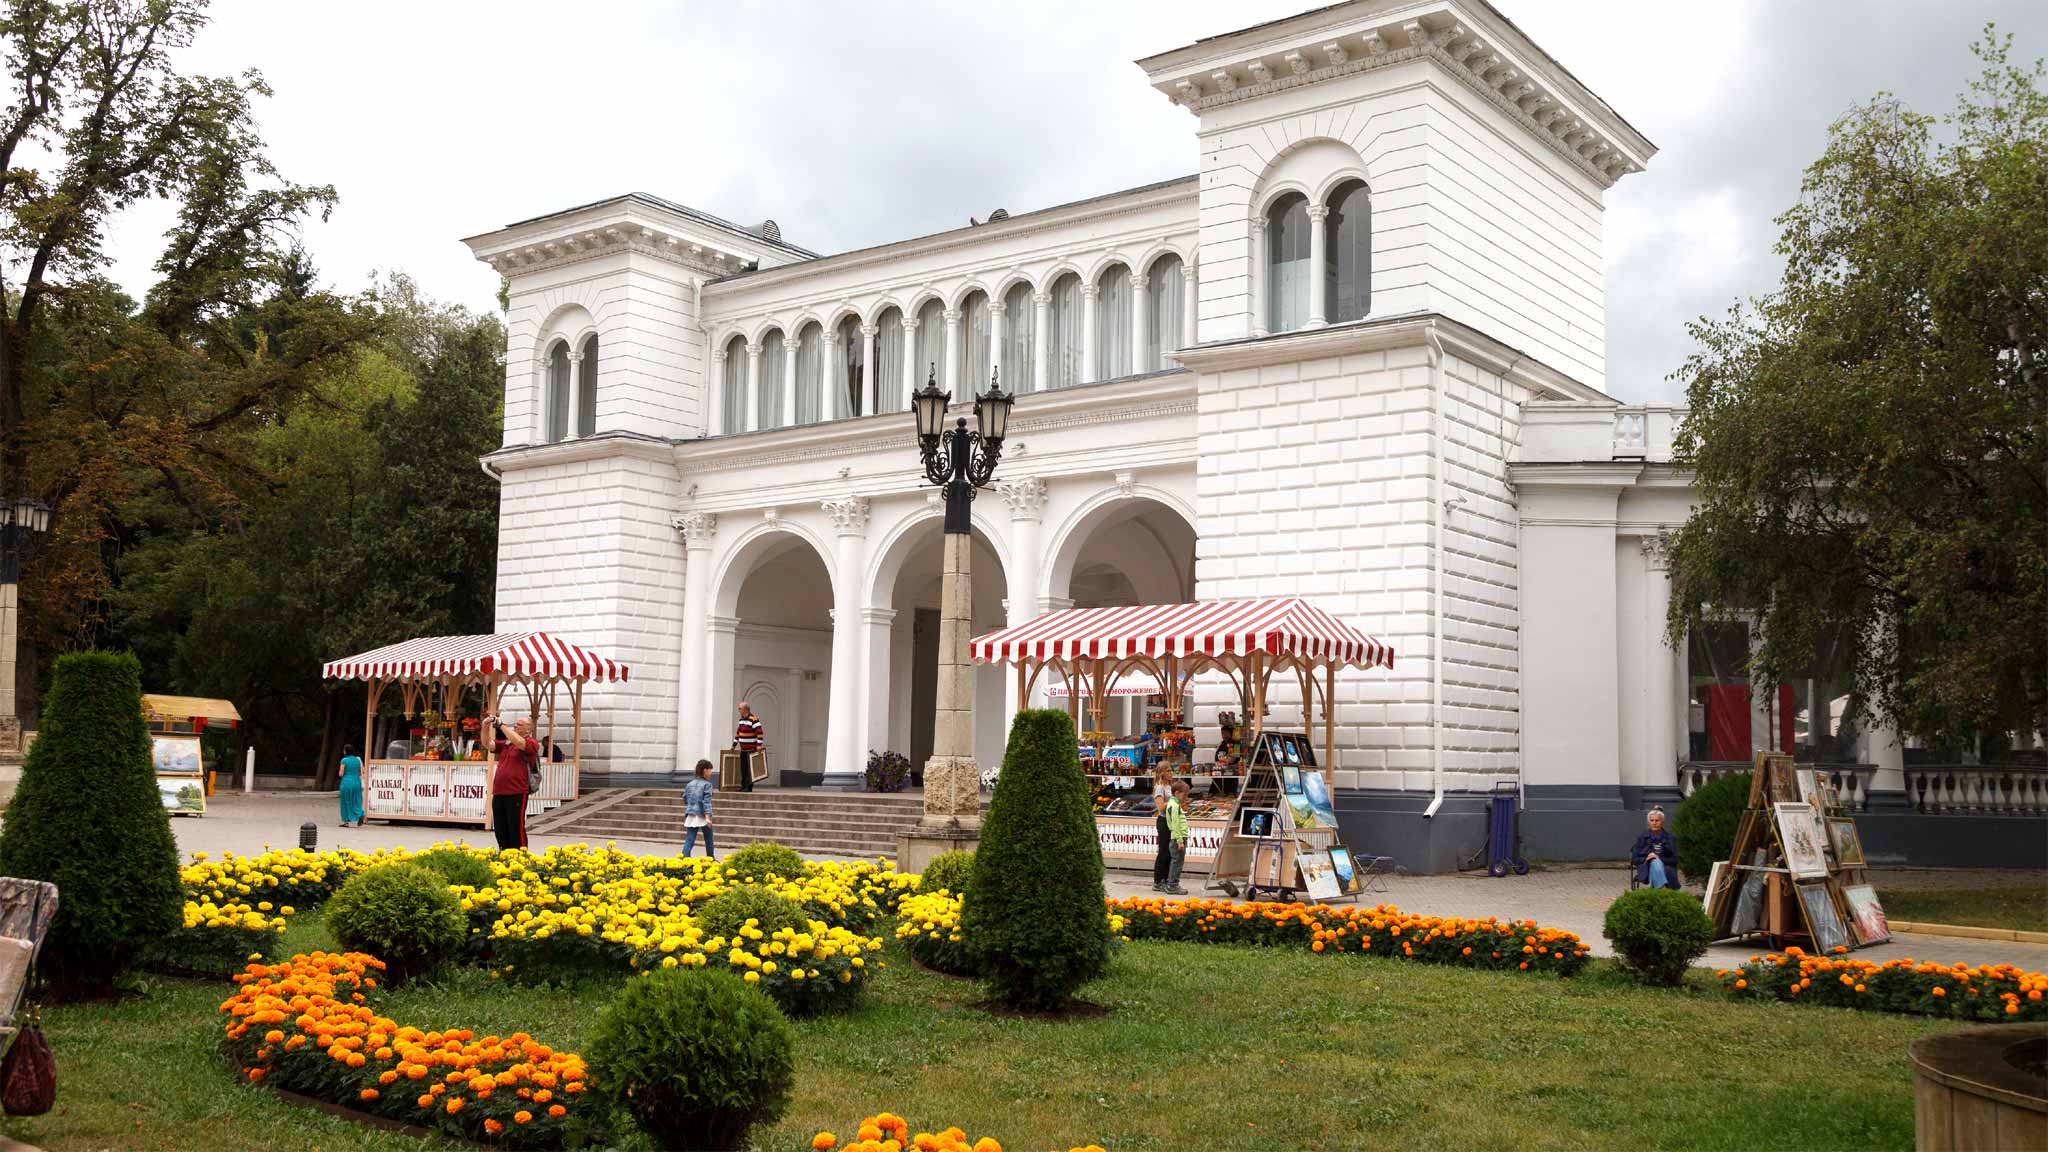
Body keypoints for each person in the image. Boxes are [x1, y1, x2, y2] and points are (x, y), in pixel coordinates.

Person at [487, 714, 538, 851]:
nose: (515, 726)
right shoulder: (507, 744)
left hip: (517, 792)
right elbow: (489, 745)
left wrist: (501, 725)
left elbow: (520, 743)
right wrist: (485, 726)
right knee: (500, 828)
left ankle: (520, 856)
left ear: (528, 729)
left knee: (515, 828)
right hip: (499, 792)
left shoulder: (531, 743)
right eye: (515, 723)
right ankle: (504, 853)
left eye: (519, 724)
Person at [1632, 807, 1680, 889]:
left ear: (1662, 822)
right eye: (1652, 820)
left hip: (1666, 867)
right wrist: (1647, 858)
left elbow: (1675, 860)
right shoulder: (1642, 837)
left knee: (1656, 862)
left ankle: (1656, 890)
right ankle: (1661, 888)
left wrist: (1659, 857)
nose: (1654, 823)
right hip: (1646, 867)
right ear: (1649, 822)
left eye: (1657, 820)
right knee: (1654, 862)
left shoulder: (1670, 838)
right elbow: (1635, 859)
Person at [1161, 779, 1192, 896]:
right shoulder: (1174, 806)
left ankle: (1171, 884)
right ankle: (1173, 885)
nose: (1186, 797)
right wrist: (1180, 841)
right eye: (1185, 794)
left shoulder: (1173, 804)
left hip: (1177, 837)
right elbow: (1174, 824)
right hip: (1178, 838)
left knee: (1176, 861)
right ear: (1177, 793)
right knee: (1177, 862)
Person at [682, 758, 716, 858]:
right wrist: (707, 817)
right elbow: (706, 802)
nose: (711, 773)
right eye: (710, 770)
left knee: (690, 839)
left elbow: (685, 797)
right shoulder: (707, 785)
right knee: (709, 838)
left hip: (691, 813)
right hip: (702, 814)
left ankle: (684, 859)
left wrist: (691, 805)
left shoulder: (690, 784)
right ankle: (710, 859)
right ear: (705, 770)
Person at [1150, 764, 1176, 892]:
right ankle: (1158, 881)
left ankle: (1165, 879)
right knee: (1164, 851)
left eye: (1171, 770)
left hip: (1171, 820)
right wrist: (1175, 801)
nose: (1171, 773)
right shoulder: (1160, 787)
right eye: (1168, 771)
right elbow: (1160, 807)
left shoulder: (1169, 786)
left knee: (1170, 852)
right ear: (1162, 773)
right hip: (1164, 821)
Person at [733, 702, 763, 793]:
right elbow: (738, 733)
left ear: (745, 709)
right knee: (743, 769)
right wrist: (734, 745)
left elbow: (760, 733)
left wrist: (759, 745)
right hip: (743, 750)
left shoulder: (754, 720)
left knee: (750, 770)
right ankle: (743, 786)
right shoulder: (741, 720)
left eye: (740, 708)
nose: (738, 710)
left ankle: (748, 787)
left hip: (751, 750)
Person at [337, 744, 364, 828]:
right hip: (357, 782)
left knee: (346, 801)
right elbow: (360, 772)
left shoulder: (344, 760)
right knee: (356, 800)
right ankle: (360, 814)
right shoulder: (357, 760)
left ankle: (346, 821)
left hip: (347, 782)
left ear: (346, 751)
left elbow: (341, 773)